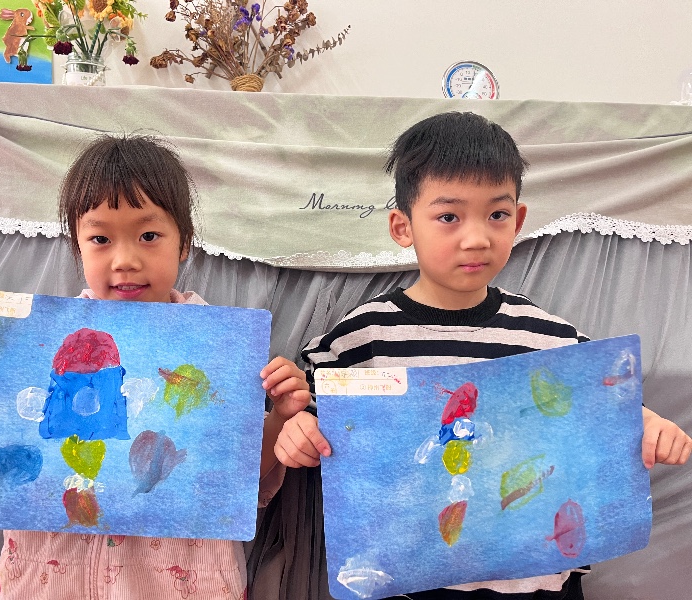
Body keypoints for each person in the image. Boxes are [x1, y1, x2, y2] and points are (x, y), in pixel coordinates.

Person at [273, 112, 692, 599]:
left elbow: (605, 405)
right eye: (449, 217)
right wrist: (296, 426)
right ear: (402, 227)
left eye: (496, 215)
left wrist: (646, 423)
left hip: (534, 582)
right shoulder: (365, 335)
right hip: (409, 581)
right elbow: (307, 406)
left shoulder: (549, 337)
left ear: (518, 220)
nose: (477, 238)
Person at [0, 133, 310, 600]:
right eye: (100, 239)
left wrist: (282, 416)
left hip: (180, 581)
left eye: (149, 236)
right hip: (51, 577)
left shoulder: (217, 351)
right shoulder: (36, 345)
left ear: (184, 243)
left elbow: (233, 476)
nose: (125, 260)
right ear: (77, 246)